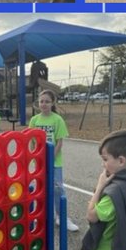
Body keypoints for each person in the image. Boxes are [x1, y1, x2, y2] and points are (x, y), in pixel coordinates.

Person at [29, 90, 79, 231]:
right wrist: (35, 156)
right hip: (39, 162)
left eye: (47, 101)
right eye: (41, 101)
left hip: (54, 162)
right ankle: (41, 216)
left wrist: (49, 158)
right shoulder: (34, 120)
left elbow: (59, 142)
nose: (44, 104)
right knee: (40, 190)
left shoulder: (57, 119)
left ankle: (61, 217)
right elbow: (31, 141)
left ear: (52, 103)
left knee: (57, 189)